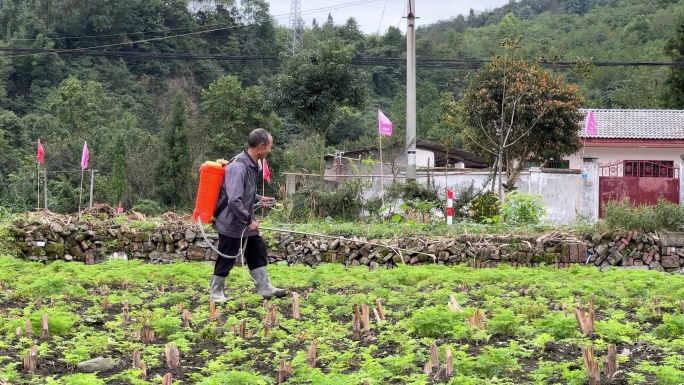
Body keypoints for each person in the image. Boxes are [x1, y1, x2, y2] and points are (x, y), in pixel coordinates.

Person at [209, 128, 287, 302]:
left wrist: (260, 198)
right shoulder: (238, 167)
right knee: (227, 256)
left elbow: (245, 193)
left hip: (243, 221)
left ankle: (265, 288)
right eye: (269, 147)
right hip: (231, 221)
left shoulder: (252, 164)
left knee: (257, 249)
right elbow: (234, 200)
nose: (270, 150)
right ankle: (216, 293)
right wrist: (248, 221)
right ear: (260, 146)